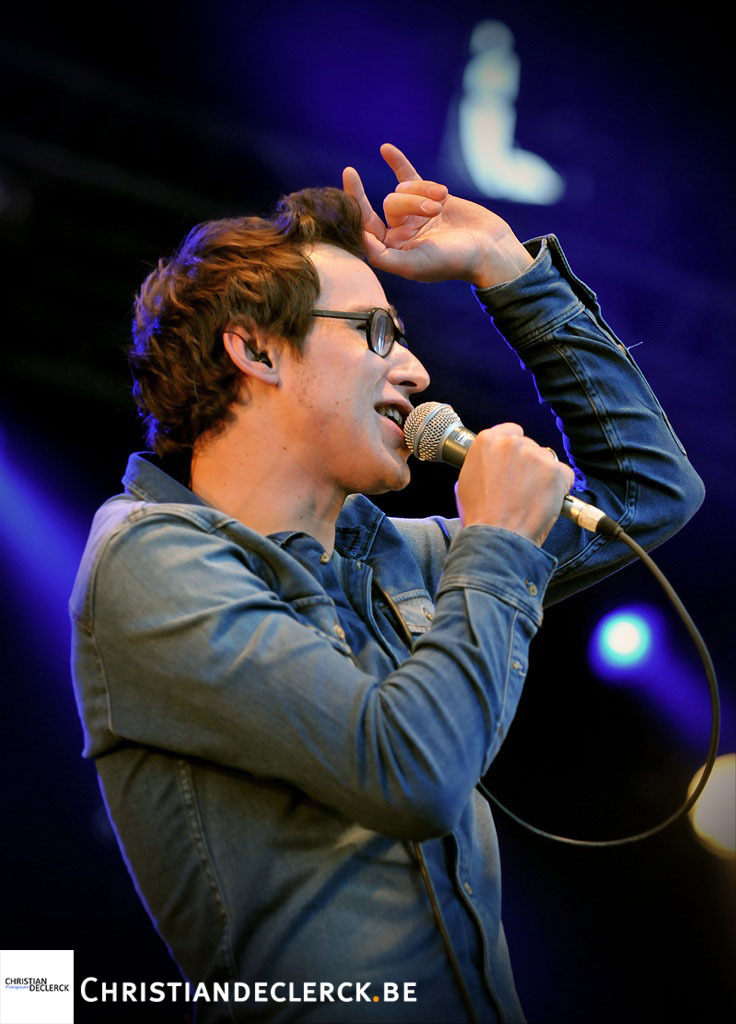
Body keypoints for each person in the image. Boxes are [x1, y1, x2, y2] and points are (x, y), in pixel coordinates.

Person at [69, 143, 704, 1023]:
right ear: (256, 348)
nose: (415, 371)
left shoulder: (398, 557)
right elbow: (411, 773)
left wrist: (507, 269)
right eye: (376, 333)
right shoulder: (148, 557)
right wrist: (495, 544)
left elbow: (648, 491)